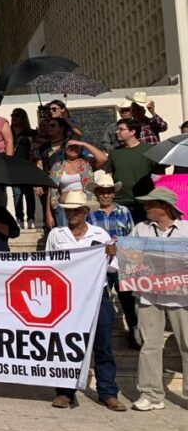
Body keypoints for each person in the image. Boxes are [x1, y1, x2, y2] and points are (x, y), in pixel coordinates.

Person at [44, 191, 125, 411]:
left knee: (103, 345)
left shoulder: (100, 234)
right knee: (66, 345)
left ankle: (107, 392)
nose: (71, 214)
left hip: (98, 295)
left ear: (85, 212)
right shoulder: (56, 235)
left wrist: (109, 254)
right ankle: (65, 392)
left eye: (75, 210)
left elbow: (113, 268)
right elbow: (48, 265)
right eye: (67, 210)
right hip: (68, 298)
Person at [125, 188, 188, 411]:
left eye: (149, 204)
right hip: (148, 295)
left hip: (182, 298)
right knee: (149, 345)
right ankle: (151, 395)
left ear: (164, 207)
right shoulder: (140, 229)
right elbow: (129, 259)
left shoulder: (186, 229)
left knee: (187, 345)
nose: (145, 207)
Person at [87, 171, 139, 350]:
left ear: (114, 193)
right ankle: (102, 338)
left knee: (128, 301)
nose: (106, 195)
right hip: (101, 263)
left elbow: (133, 237)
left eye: (109, 191)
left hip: (122, 262)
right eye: (102, 191)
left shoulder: (124, 212)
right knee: (101, 300)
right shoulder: (91, 216)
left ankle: (134, 334)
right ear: (96, 194)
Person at [78, 119, 154, 224]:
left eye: (121, 129)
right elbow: (108, 176)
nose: (117, 132)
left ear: (132, 132)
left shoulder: (149, 150)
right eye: (117, 129)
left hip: (145, 202)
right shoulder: (114, 153)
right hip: (120, 203)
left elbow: (158, 176)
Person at [47, 140, 95, 228]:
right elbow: (50, 191)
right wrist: (49, 214)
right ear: (64, 149)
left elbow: (103, 159)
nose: (73, 149)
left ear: (80, 149)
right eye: (70, 146)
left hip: (85, 205)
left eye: (76, 146)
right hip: (63, 208)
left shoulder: (86, 163)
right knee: (65, 235)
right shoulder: (57, 166)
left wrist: (84, 143)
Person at [10, 108, 38, 229]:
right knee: (17, 194)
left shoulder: (30, 133)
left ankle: (31, 218)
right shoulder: (9, 131)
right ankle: (19, 218)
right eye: (13, 115)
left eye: (17, 115)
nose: (14, 117)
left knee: (28, 193)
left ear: (23, 117)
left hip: (27, 166)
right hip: (13, 166)